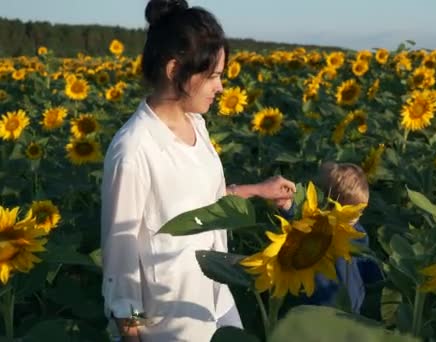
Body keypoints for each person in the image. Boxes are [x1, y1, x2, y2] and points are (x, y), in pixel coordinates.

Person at [100, 1, 295, 341]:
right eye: (214, 76)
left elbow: (203, 205)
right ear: (175, 70)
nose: (221, 87)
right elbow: (120, 267)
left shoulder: (196, 125)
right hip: (170, 323)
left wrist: (258, 190)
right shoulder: (134, 150)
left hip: (216, 298)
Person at [280, 162, 382, 315]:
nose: (356, 218)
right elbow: (296, 220)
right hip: (318, 307)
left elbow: (366, 262)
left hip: (352, 309)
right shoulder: (314, 228)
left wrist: (379, 280)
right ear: (330, 206)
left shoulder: (358, 232)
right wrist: (286, 206)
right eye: (352, 213)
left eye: (360, 212)